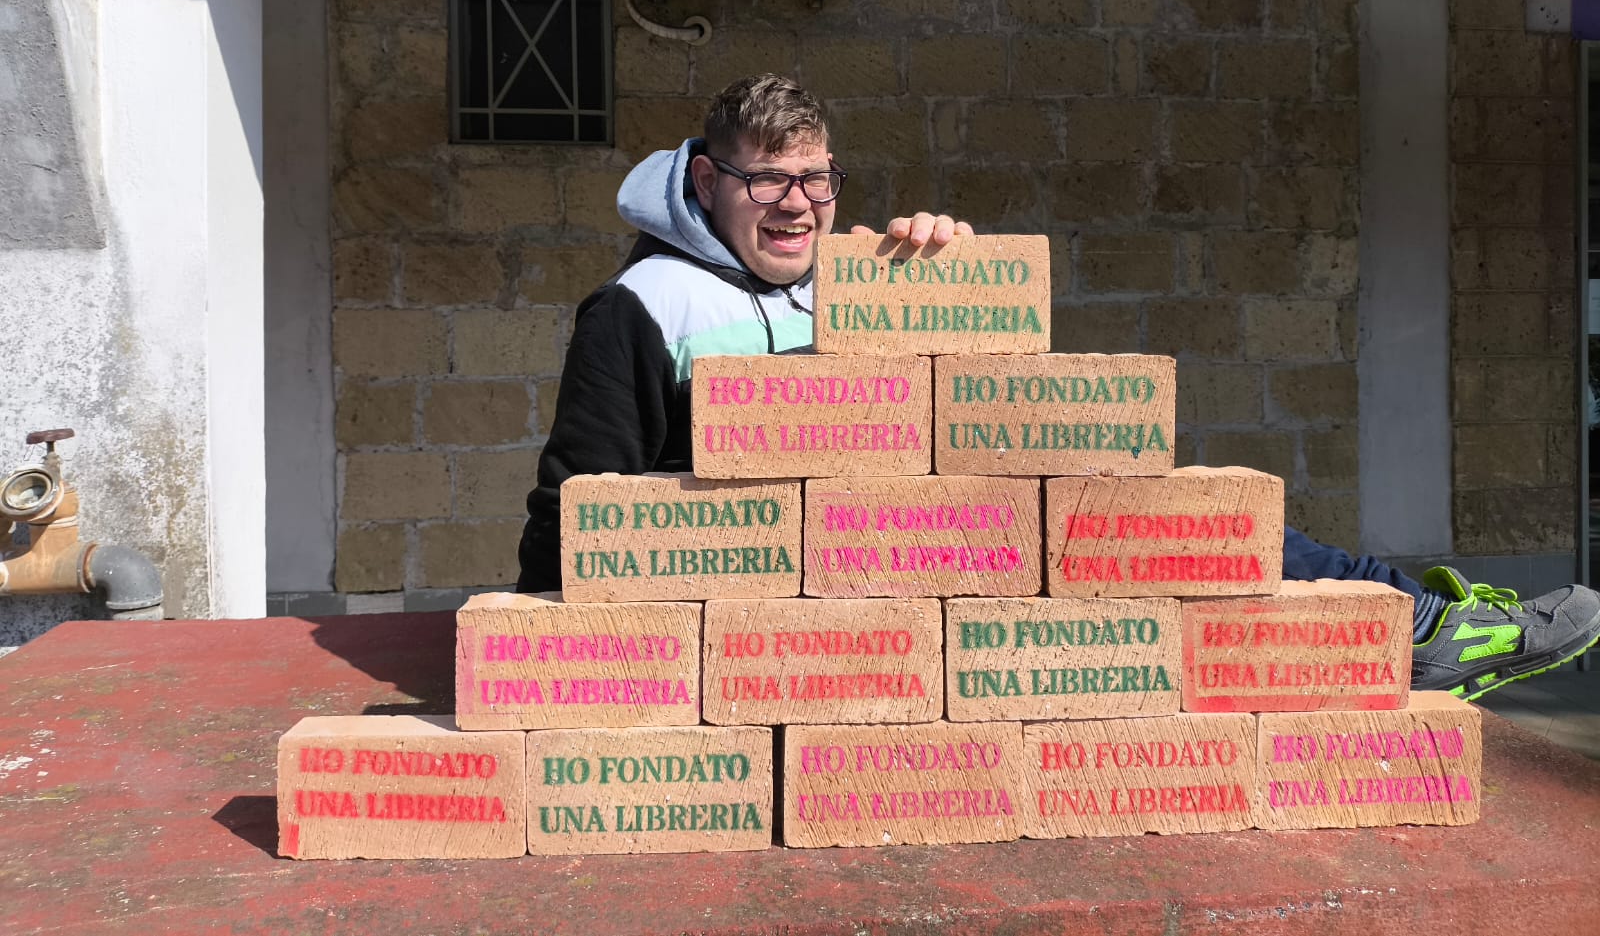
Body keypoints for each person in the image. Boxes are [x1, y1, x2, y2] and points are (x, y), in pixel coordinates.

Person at [520, 73, 1600, 702]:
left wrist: (946, 282)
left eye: (816, 176)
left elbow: (957, 414)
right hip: (801, 598)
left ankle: (1418, 622)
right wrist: (554, 657)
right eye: (767, 178)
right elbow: (580, 516)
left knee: (1163, 500)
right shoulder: (645, 306)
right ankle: (1410, 625)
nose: (797, 203)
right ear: (707, 181)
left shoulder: (847, 276)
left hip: (937, 547)